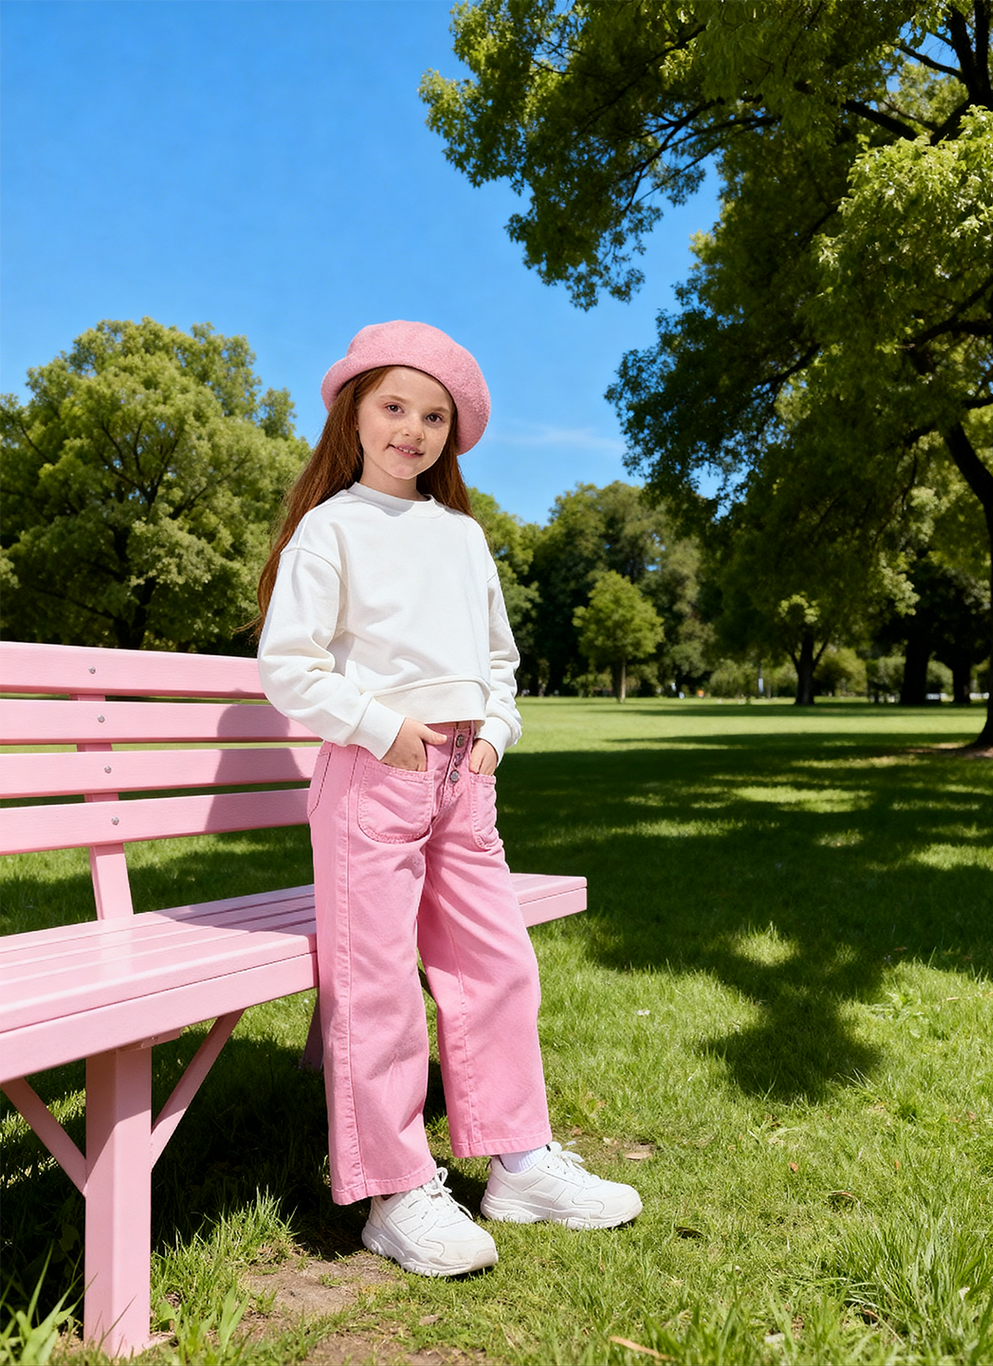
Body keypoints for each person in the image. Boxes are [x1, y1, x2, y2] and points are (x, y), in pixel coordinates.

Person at [257, 320, 641, 1277]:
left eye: (434, 416)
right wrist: (381, 729)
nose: (412, 429)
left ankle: (519, 1162)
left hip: (465, 780)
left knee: (498, 962)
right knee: (379, 982)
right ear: (355, 411)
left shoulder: (463, 537)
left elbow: (499, 661)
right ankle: (394, 1189)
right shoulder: (332, 526)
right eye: (395, 406)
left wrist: (497, 739)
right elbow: (288, 665)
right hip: (374, 774)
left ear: (452, 436)